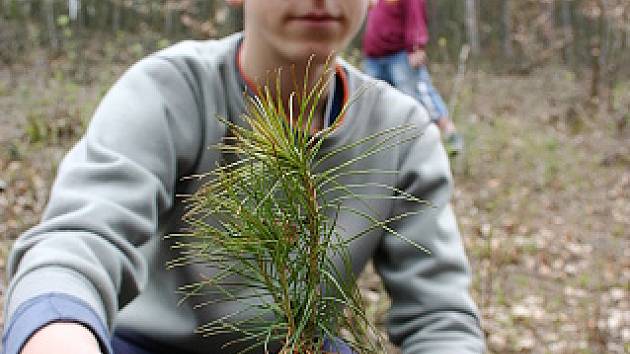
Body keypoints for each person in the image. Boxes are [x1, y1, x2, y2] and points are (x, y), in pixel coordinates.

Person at [2, 1, 484, 353]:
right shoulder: (170, 89)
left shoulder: (401, 131)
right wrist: (57, 329)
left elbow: (440, 319)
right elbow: (78, 242)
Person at [362, 0, 464, 156]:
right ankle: (389, 152)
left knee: (419, 97)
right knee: (376, 105)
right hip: (374, 56)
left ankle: (450, 134)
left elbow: (415, 14)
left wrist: (416, 46)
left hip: (400, 55)